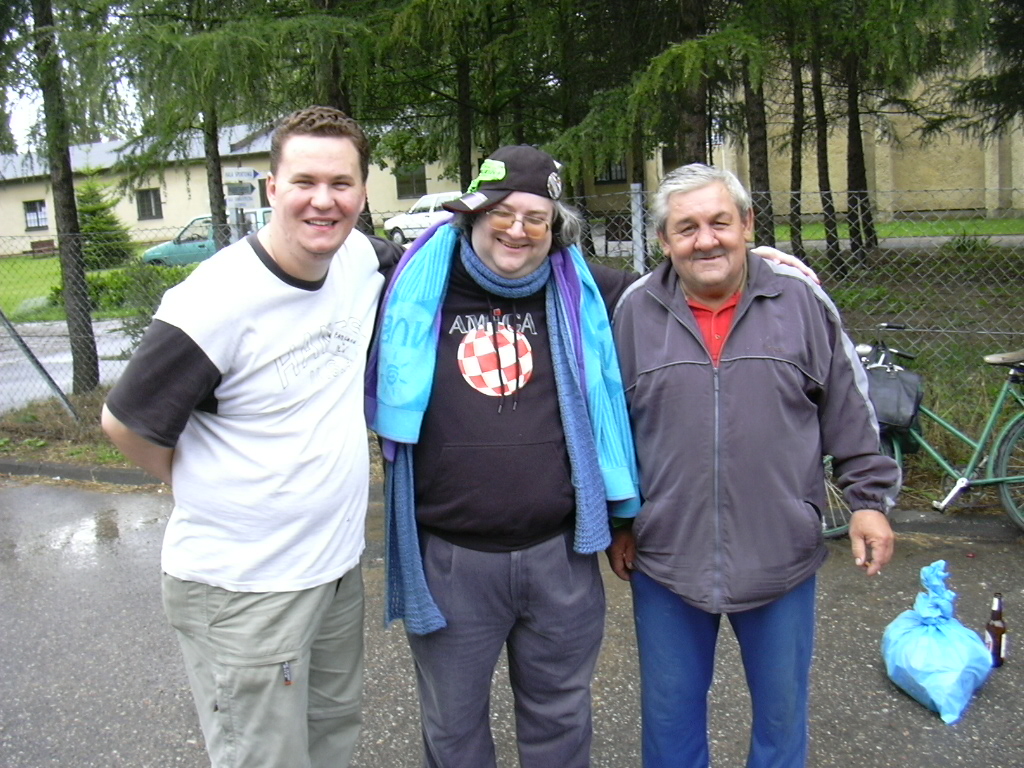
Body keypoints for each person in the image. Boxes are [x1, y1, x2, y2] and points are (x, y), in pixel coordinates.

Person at [366, 146, 819, 768]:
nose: (517, 229)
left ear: (555, 229)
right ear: (470, 216)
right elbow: (328, 255)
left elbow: (688, 276)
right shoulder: (409, 285)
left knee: (560, 718)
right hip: (450, 559)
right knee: (454, 727)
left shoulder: (586, 291)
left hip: (561, 558)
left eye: (536, 217)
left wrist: (757, 262)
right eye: (500, 212)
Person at [101, 106, 400, 768]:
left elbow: (439, 262)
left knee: (331, 739)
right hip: (244, 589)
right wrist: (196, 481)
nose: (323, 200)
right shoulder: (215, 301)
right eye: (304, 181)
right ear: (272, 188)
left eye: (341, 183)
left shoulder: (360, 260)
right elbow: (125, 423)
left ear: (362, 192)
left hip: (333, 572)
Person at [609, 163, 900, 768]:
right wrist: (620, 520)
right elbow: (610, 428)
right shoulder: (634, 313)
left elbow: (849, 408)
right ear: (663, 240)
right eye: (686, 228)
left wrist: (868, 502)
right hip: (668, 559)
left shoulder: (801, 302)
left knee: (781, 717)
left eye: (720, 222)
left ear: (746, 224)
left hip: (780, 555)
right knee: (669, 719)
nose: (705, 240)